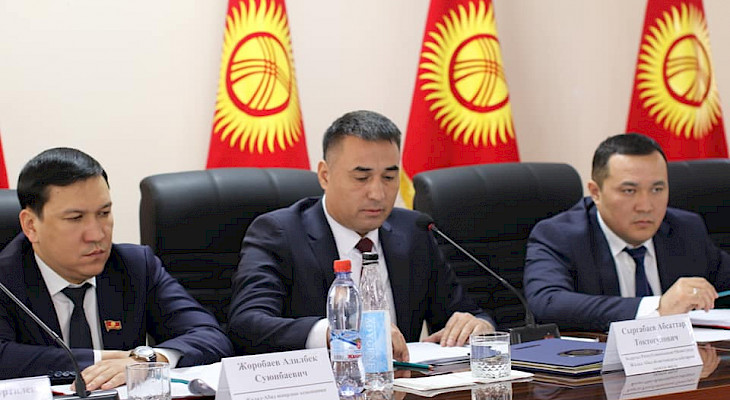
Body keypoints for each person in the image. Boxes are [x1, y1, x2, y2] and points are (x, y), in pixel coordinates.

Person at [227, 110, 494, 359]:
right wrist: (338, 333)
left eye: (389, 178)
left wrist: (478, 325)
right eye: (362, 178)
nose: (377, 193)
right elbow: (247, 323)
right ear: (325, 175)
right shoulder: (280, 233)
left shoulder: (413, 231)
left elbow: (465, 313)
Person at [0, 148, 232, 389]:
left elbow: (210, 336)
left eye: (104, 213)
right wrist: (100, 361)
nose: (97, 234)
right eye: (76, 218)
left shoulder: (134, 266)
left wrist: (148, 360)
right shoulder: (5, 279)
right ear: (31, 225)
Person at [524, 133, 730, 331]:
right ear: (596, 192)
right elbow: (547, 302)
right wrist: (657, 308)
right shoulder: (559, 236)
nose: (646, 206)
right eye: (629, 191)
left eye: (657, 189)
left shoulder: (685, 229)